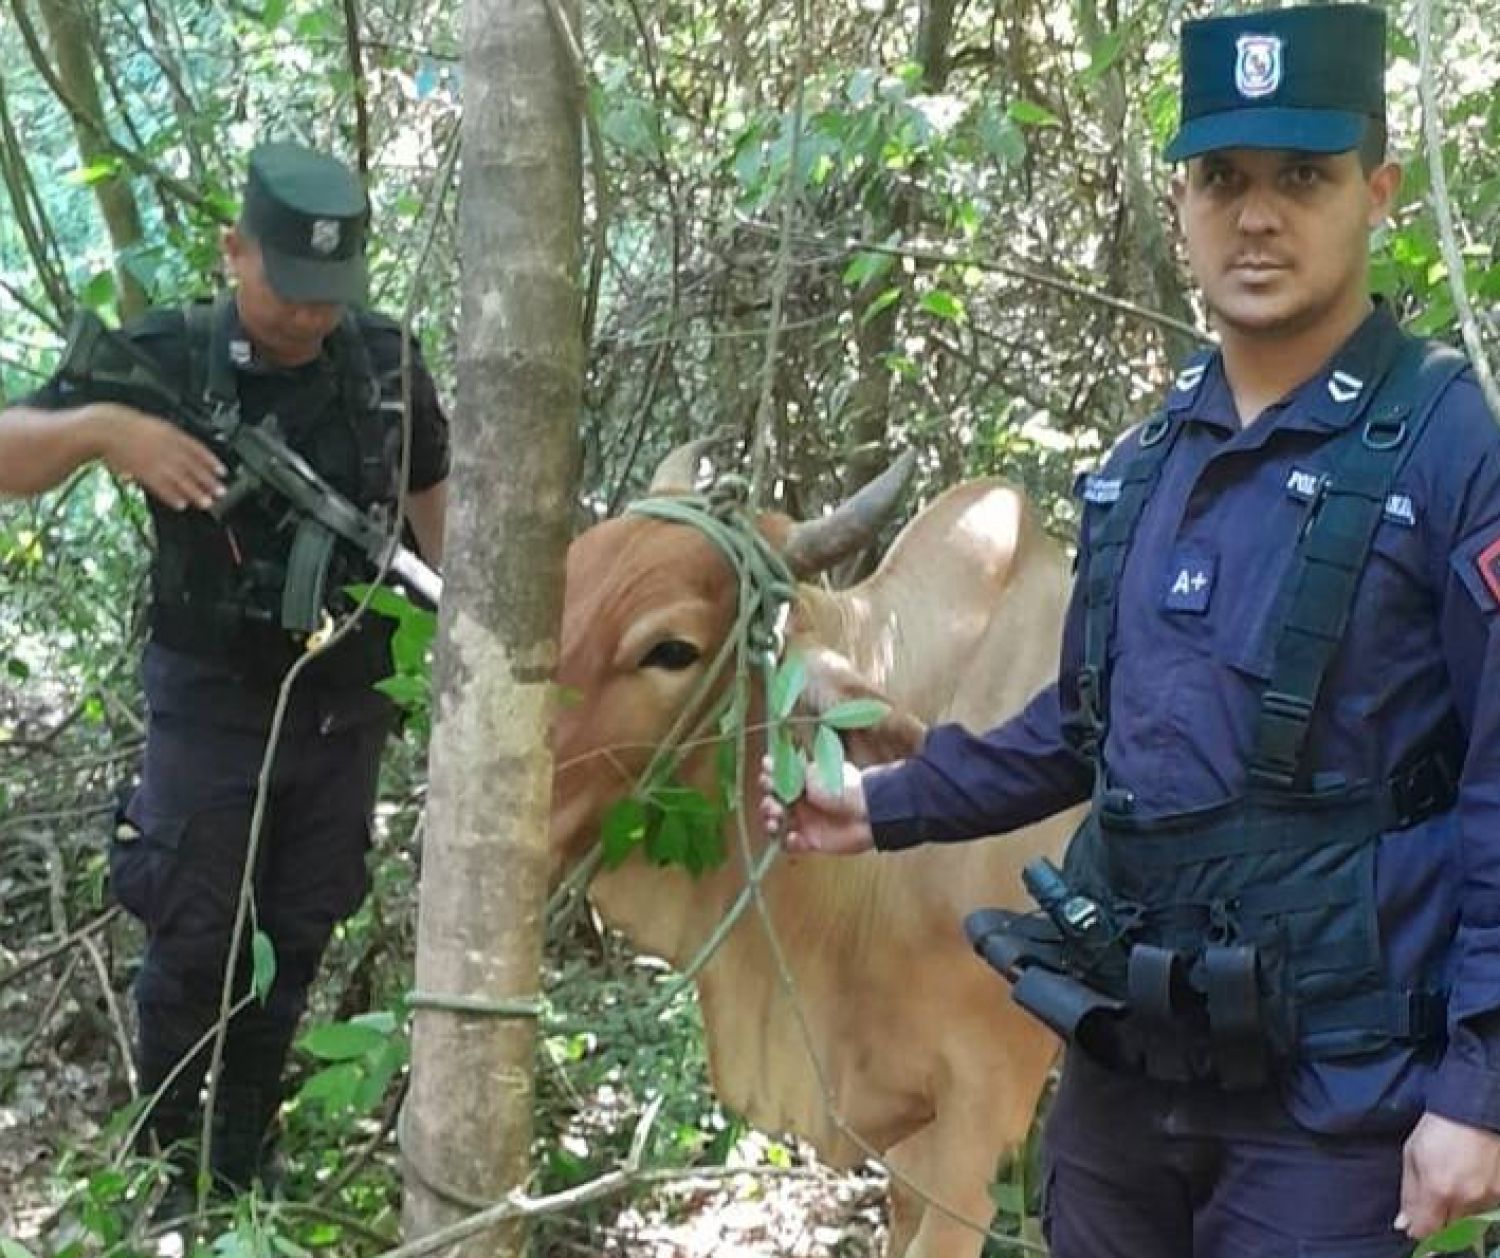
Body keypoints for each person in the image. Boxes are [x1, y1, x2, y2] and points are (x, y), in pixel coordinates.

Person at [762, 6, 1500, 1255]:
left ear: (1377, 193)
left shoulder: (1451, 449)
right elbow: (1085, 726)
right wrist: (886, 806)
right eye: (1223, 179)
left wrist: (1477, 1088)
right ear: (1181, 206)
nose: (1256, 215)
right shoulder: (1146, 463)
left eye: (1302, 178)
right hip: (1122, 1069)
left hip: (1334, 1094)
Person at [0, 141, 450, 1208]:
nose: (310, 318)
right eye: (290, 291)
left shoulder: (384, 365)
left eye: (329, 295)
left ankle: (243, 1156)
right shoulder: (169, 355)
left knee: (296, 933)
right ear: (233, 249)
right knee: (196, 931)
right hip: (208, 701)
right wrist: (112, 432)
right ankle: (168, 1171)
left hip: (344, 707)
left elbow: (442, 516)